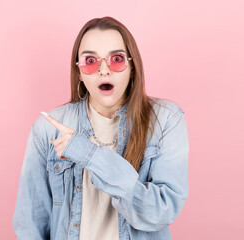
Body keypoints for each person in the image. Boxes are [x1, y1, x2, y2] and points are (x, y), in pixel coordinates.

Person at [13, 16, 189, 240]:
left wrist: (89, 155)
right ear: (78, 71)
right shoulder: (46, 129)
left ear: (132, 67)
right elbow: (30, 223)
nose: (104, 70)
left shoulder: (166, 120)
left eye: (116, 59)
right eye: (90, 61)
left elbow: (161, 212)